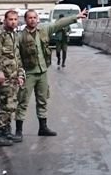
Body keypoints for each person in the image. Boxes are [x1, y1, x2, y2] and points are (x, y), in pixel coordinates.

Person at [14, 8, 87, 139]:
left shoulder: (44, 30)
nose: (32, 20)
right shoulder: (20, 37)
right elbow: (17, 57)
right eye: (30, 18)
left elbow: (58, 24)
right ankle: (19, 131)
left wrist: (76, 17)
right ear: (25, 20)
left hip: (42, 72)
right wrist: (19, 74)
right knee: (23, 101)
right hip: (29, 73)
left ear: (38, 19)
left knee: (42, 100)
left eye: (34, 17)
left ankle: (43, 127)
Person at [0, 10, 25, 146]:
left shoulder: (15, 35)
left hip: (13, 75)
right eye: (10, 19)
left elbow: (17, 57)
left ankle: (6, 130)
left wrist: (20, 74)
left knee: (12, 104)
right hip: (3, 76)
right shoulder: (0, 35)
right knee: (7, 104)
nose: (13, 22)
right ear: (5, 20)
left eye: (15, 19)